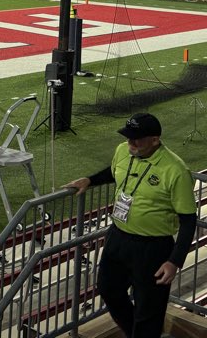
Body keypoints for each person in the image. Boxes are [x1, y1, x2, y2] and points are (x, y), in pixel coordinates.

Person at [65, 113, 196, 338]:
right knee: (108, 290)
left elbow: (188, 220)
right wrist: (90, 180)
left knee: (149, 309)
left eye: (137, 138)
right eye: (128, 137)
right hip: (118, 237)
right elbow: (114, 171)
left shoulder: (175, 170)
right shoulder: (122, 151)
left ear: (155, 140)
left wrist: (174, 261)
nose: (130, 142)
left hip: (153, 247)